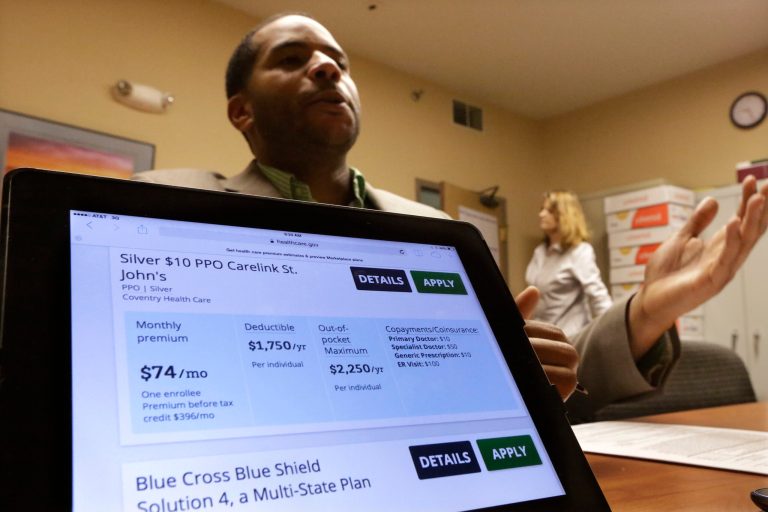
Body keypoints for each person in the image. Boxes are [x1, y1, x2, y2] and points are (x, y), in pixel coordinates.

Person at [134, 13, 768, 415]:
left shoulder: (442, 237)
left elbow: (536, 379)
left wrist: (646, 314)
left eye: (338, 62)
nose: (328, 67)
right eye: (293, 59)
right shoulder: (163, 214)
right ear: (241, 111)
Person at [526, 191, 612, 339]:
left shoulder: (580, 252)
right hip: (541, 338)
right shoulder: (540, 252)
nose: (541, 214)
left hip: (569, 339)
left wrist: (613, 332)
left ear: (564, 215)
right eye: (541, 209)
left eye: (549, 210)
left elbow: (597, 296)